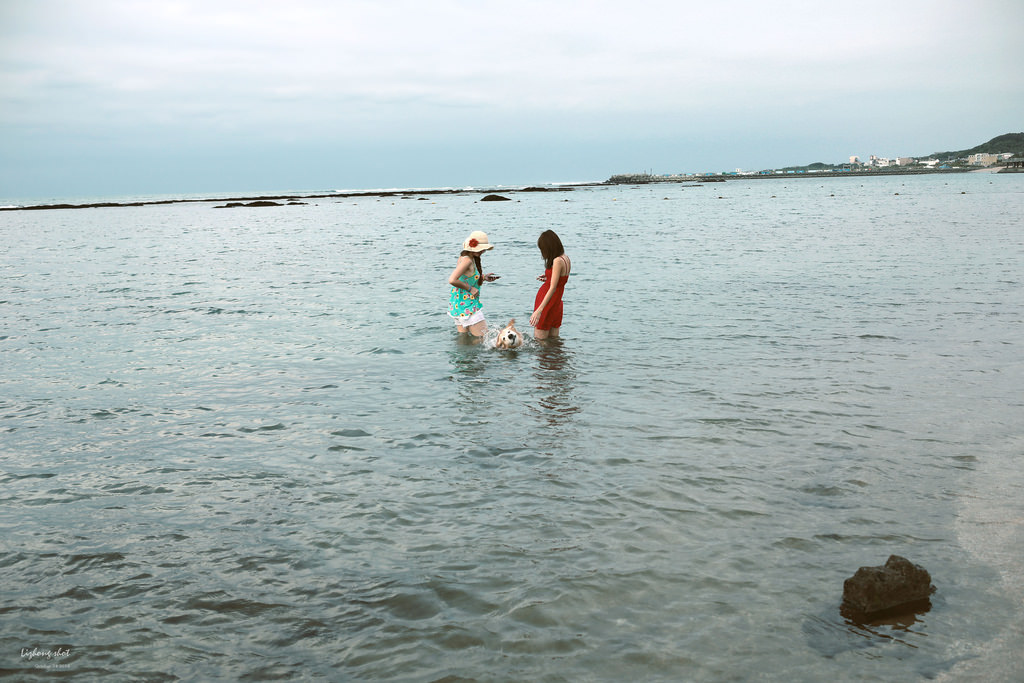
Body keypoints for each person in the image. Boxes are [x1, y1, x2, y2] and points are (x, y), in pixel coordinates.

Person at [448, 230, 497, 338]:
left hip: (458, 305)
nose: (483, 251)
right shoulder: (467, 261)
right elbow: (452, 280)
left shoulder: (464, 258)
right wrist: (471, 289)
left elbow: (464, 278)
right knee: (483, 339)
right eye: (481, 248)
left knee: (464, 340)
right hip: (468, 306)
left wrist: (483, 278)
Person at [529, 230, 571, 339]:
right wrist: (548, 277)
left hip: (548, 301)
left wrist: (539, 310)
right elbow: (560, 281)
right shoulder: (565, 258)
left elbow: (552, 288)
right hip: (557, 302)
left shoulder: (557, 261)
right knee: (553, 341)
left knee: (540, 342)